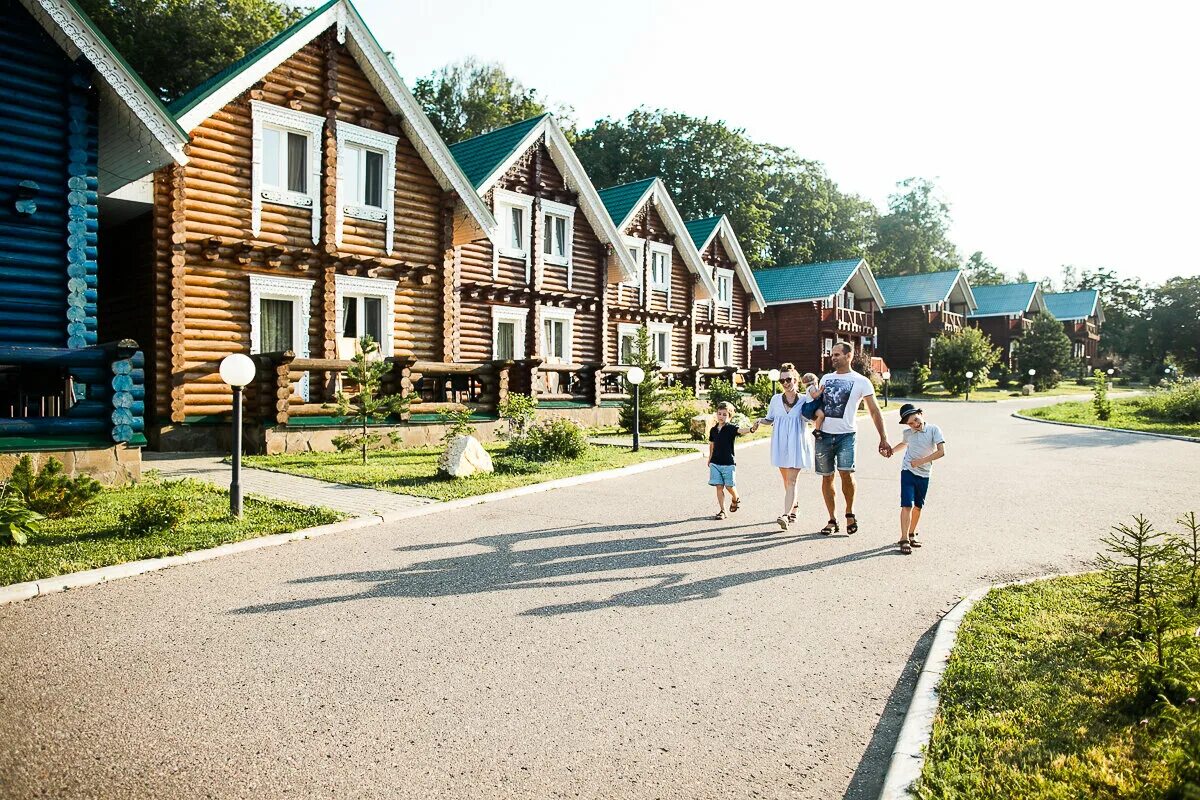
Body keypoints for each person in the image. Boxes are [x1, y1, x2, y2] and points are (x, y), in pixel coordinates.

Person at [813, 341, 891, 536]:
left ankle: (850, 512)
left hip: (846, 435)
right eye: (832, 354)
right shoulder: (826, 379)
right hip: (824, 435)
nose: (833, 357)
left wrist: (883, 437)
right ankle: (832, 519)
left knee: (846, 474)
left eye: (837, 354)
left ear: (849, 356)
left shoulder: (861, 381)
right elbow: (815, 404)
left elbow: (874, 410)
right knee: (826, 476)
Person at [756, 362, 814, 531]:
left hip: (797, 443)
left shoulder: (804, 399)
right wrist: (760, 421)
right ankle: (795, 507)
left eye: (789, 379)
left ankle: (785, 515)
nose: (786, 383)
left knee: (792, 480)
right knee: (786, 481)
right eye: (782, 381)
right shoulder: (775, 399)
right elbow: (770, 419)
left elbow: (811, 418)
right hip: (781, 444)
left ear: (795, 379)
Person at [885, 403, 946, 554]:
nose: (915, 425)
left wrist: (920, 462)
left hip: (924, 474)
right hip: (907, 471)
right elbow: (904, 444)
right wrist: (892, 450)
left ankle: (912, 533)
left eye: (916, 420)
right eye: (910, 423)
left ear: (921, 413)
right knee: (907, 504)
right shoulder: (908, 433)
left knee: (918, 506)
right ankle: (904, 538)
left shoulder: (933, 430)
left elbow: (941, 452)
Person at [707, 402, 759, 520]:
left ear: (729, 416)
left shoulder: (730, 428)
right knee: (719, 486)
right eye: (719, 414)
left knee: (729, 486)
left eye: (724, 414)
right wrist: (710, 458)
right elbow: (712, 444)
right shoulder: (713, 430)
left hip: (728, 463)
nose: (721, 416)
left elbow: (740, 430)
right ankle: (722, 511)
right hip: (715, 462)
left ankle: (736, 498)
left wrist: (751, 429)